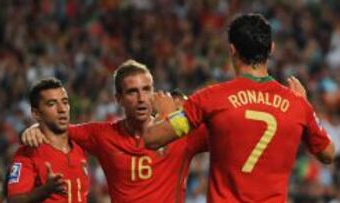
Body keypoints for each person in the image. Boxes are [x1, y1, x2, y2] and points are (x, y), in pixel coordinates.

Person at [143, 13, 335, 203]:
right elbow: (328, 154)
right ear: (272, 49)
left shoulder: (211, 98)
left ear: (232, 50)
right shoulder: (297, 104)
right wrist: (306, 105)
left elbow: (152, 139)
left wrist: (166, 113)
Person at [21, 60, 209, 203]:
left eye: (146, 90)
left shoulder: (183, 134)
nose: (142, 98)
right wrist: (36, 128)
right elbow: (59, 130)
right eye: (132, 92)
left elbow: (229, 132)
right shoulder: (103, 135)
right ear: (118, 98)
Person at [6, 78, 89, 203]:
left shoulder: (80, 146)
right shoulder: (28, 152)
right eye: (51, 104)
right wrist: (45, 190)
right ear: (36, 113)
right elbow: (14, 201)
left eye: (65, 102)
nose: (62, 109)